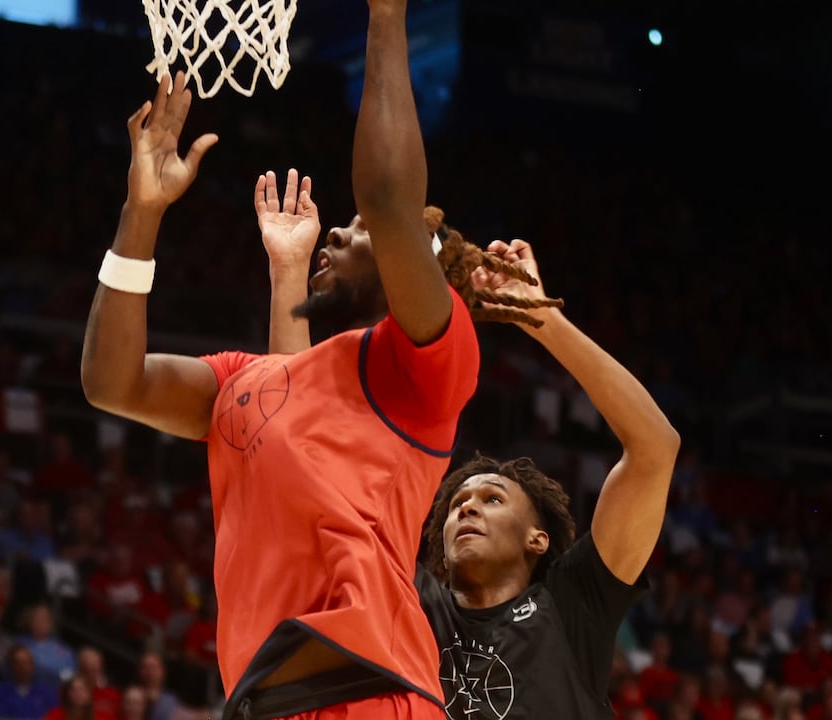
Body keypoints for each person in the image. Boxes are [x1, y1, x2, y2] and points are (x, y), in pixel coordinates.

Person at [82, 0, 505, 720]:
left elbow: (387, 200)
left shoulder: (423, 370)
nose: (344, 233)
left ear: (405, 275)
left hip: (367, 688)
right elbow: (111, 382)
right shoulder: (247, 383)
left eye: (360, 236)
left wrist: (386, 11)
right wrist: (142, 213)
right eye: (343, 230)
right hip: (266, 700)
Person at [265, 231, 679, 720]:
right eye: (459, 501)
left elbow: (655, 448)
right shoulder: (409, 599)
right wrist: (287, 276)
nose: (467, 506)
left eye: (493, 499)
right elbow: (292, 459)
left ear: (538, 540)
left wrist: (542, 319)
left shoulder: (573, 605)